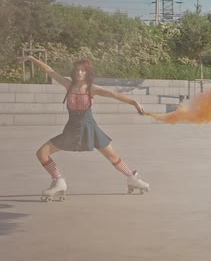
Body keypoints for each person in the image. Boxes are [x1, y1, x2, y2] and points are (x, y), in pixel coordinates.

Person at [17, 56, 150, 202]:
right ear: (74, 72)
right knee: (42, 153)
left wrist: (134, 102)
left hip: (90, 128)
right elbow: (49, 71)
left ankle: (132, 177)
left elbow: (114, 94)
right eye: (77, 70)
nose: (80, 73)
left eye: (83, 70)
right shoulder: (68, 85)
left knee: (113, 157)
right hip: (71, 130)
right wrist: (31, 57)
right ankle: (58, 181)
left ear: (88, 73)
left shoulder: (92, 89)